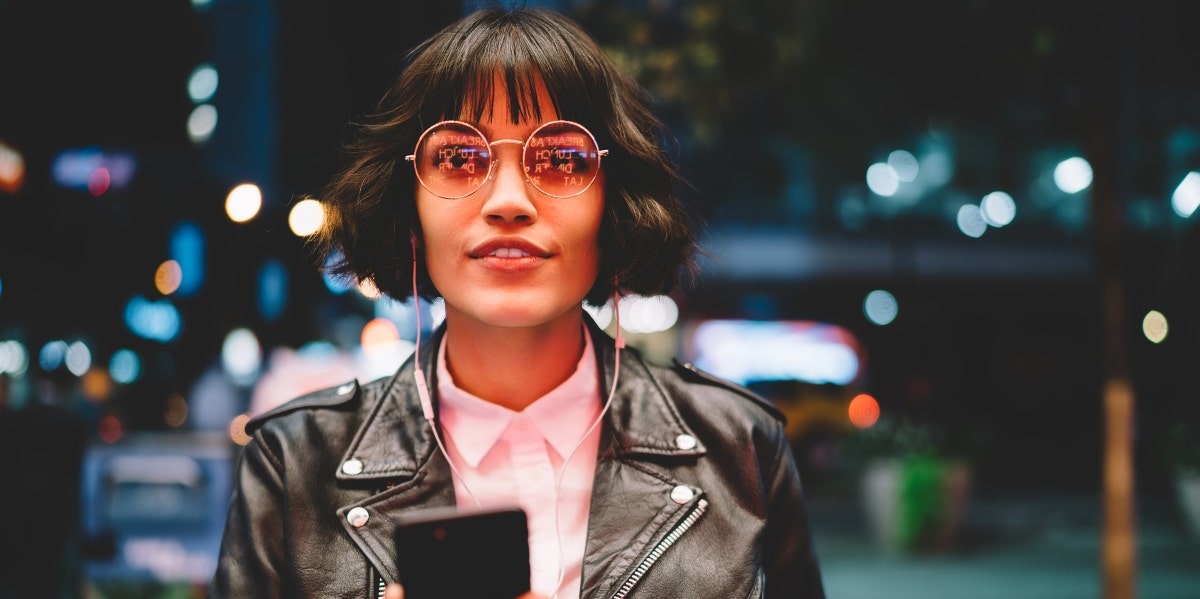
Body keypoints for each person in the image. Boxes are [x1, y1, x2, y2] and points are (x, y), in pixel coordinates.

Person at [210, 5, 825, 599]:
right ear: (409, 209)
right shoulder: (295, 463)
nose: (508, 200)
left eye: (559, 158)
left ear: (614, 203)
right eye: (457, 157)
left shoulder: (741, 448)